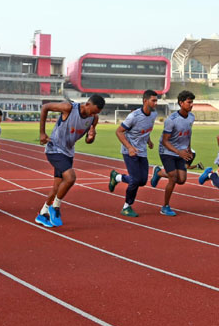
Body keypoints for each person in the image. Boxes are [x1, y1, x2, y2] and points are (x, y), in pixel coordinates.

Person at [35, 95, 104, 227]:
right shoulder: (69, 108)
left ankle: (42, 213)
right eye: (94, 111)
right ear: (87, 104)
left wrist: (91, 137)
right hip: (54, 149)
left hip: (68, 152)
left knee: (57, 187)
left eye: (97, 113)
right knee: (71, 178)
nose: (94, 114)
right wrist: (42, 133)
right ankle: (55, 207)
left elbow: (88, 141)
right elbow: (45, 107)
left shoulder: (93, 118)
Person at [109, 90, 159, 218]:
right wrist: (130, 147)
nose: (155, 103)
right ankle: (127, 206)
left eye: (156, 100)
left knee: (142, 181)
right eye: (153, 100)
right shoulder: (134, 116)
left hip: (142, 151)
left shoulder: (154, 115)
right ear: (145, 101)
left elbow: (145, 131)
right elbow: (119, 132)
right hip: (129, 151)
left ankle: (117, 177)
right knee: (135, 180)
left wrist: (149, 141)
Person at [149, 90, 196, 216]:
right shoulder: (171, 120)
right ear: (181, 103)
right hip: (167, 150)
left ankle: (158, 172)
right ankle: (165, 206)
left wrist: (189, 148)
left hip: (181, 150)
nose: (191, 105)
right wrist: (178, 152)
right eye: (189, 102)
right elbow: (165, 141)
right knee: (173, 177)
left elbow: (188, 134)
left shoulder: (191, 117)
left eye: (192, 102)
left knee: (181, 180)